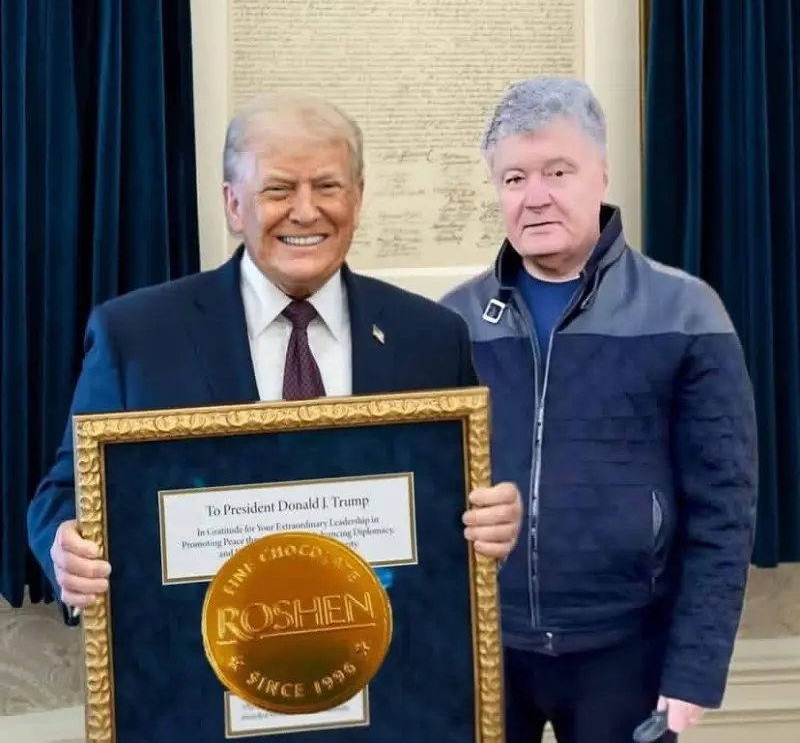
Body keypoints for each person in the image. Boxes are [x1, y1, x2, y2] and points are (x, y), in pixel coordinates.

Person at [27, 90, 522, 616]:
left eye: (327, 186)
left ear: (357, 198)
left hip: (385, 647)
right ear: (233, 205)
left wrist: (495, 520)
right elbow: (67, 490)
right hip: (197, 649)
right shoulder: (136, 336)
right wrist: (65, 546)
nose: (305, 211)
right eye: (279, 189)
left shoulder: (432, 336)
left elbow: (462, 497)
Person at [441, 76, 758, 743]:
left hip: (628, 650)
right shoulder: (452, 322)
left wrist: (696, 668)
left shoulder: (686, 312)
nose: (535, 196)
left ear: (602, 174)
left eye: (558, 171)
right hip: (485, 647)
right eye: (514, 178)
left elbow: (724, 508)